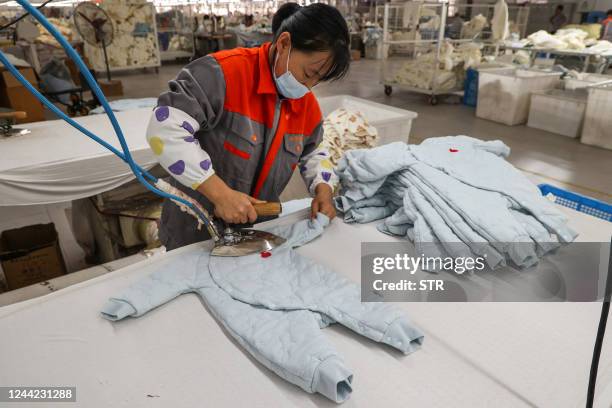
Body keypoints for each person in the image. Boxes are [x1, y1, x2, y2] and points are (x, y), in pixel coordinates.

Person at [146, 3, 350, 250]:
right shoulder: (221, 75)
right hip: (195, 232)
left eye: (320, 80)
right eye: (310, 73)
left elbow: (314, 151)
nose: (309, 86)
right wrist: (220, 194)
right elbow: (165, 129)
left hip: (256, 233)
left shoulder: (305, 105)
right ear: (284, 43)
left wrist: (323, 189)